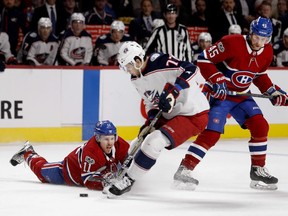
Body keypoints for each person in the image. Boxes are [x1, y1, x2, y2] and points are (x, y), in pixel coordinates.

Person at [173, 16, 288, 191]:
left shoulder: (268, 51)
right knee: (212, 132)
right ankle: (185, 169)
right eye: (256, 37)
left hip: (241, 95)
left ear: (269, 38)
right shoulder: (231, 42)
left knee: (260, 125)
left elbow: (259, 76)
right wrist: (217, 79)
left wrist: (273, 91)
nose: (259, 42)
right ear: (250, 33)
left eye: (264, 39)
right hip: (219, 94)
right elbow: (203, 59)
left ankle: (257, 169)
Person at [105, 41, 210, 197]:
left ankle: (129, 180)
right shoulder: (136, 79)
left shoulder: (160, 61)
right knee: (138, 141)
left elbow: (191, 68)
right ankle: (123, 172)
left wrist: (175, 91)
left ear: (137, 60)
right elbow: (150, 102)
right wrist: (151, 119)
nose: (128, 71)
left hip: (192, 113)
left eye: (128, 66)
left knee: (154, 141)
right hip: (170, 112)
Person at [10, 120, 130, 190]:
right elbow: (88, 180)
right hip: (68, 171)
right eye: (105, 139)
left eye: (112, 138)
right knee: (41, 171)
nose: (110, 142)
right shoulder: (91, 153)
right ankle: (27, 152)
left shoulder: (119, 144)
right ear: (98, 138)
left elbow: (126, 161)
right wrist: (106, 182)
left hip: (92, 169)